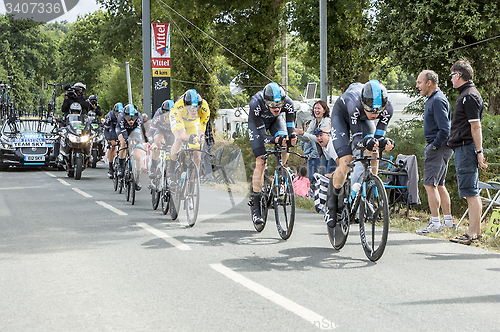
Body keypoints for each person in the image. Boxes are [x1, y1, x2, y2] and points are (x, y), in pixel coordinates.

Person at [324, 80, 395, 228]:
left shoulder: (388, 107)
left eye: (378, 111)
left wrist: (385, 142)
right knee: (346, 161)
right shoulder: (354, 102)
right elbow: (357, 141)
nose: (374, 114)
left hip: (362, 119)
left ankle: (369, 190)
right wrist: (368, 141)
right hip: (342, 116)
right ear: (364, 103)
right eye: (371, 110)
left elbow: (378, 137)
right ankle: (331, 205)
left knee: (373, 151)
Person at [448, 60, 487, 245]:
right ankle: (476, 232)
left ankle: (471, 234)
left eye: (451, 75)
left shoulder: (468, 96)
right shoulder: (468, 93)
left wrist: (479, 151)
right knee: (473, 191)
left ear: (458, 75)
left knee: (470, 192)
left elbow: (476, 126)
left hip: (465, 147)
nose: (451, 79)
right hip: (465, 146)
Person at [248, 82, 297, 226]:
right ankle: (256, 206)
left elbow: (290, 124)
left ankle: (279, 175)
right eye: (272, 105)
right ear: (265, 102)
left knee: (284, 142)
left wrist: (291, 137)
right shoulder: (255, 103)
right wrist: (274, 139)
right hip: (257, 125)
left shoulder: (288, 103)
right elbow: (263, 136)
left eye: (279, 105)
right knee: (261, 161)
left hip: (275, 122)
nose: (276, 108)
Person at [415, 70, 454, 234]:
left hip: (438, 147)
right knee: (439, 184)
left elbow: (445, 129)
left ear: (428, 83)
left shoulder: (437, 100)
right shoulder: (435, 98)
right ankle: (449, 221)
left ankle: (435, 222)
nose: (417, 86)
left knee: (429, 184)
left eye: (419, 82)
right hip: (443, 147)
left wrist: (434, 146)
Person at [168, 89, 210, 181]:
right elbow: (182, 135)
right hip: (180, 118)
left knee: (197, 158)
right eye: (190, 108)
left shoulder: (204, 108)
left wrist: (200, 138)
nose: (194, 110)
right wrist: (188, 137)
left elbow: (201, 130)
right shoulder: (179, 107)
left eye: (196, 108)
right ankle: (171, 170)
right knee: (178, 139)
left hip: (191, 121)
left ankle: (191, 184)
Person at [295, 100, 335, 174]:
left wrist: (303, 133)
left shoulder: (326, 121)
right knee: (323, 176)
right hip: (324, 153)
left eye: (319, 108)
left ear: (324, 110)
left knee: (330, 176)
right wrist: (298, 133)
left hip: (333, 151)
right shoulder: (314, 122)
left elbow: (319, 138)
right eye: (315, 108)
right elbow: (306, 138)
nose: (316, 110)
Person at [116, 103, 145, 191]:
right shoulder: (120, 117)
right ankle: (121, 166)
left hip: (134, 130)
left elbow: (137, 131)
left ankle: (137, 177)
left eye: (133, 118)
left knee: (138, 156)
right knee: (124, 143)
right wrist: (127, 139)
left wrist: (135, 140)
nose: (131, 120)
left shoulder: (139, 118)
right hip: (122, 129)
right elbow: (123, 131)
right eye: (128, 118)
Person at [148, 99, 175, 180]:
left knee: (174, 149)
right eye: (166, 117)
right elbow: (150, 133)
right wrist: (153, 143)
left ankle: (171, 171)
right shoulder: (158, 115)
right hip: (160, 131)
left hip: (172, 132)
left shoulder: (177, 116)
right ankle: (154, 166)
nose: (168, 119)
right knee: (159, 143)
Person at [104, 102, 123, 178]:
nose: (117, 115)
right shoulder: (110, 116)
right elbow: (106, 129)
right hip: (112, 129)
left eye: (119, 113)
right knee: (112, 147)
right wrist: (109, 140)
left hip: (121, 129)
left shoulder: (124, 116)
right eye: (116, 113)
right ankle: (110, 167)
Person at [299, 120, 319, 186]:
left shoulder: (312, 136)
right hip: (308, 158)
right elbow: (303, 147)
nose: (308, 128)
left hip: (313, 158)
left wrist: (309, 156)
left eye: (309, 126)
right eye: (307, 126)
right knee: (311, 177)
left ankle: (317, 192)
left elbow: (315, 149)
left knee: (314, 177)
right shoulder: (305, 137)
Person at [201, 118, 215, 183]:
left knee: (199, 160)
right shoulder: (207, 115)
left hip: (205, 142)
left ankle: (199, 178)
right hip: (209, 140)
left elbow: (202, 130)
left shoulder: (202, 116)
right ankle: (209, 179)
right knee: (207, 161)